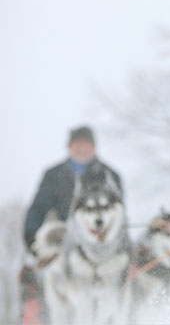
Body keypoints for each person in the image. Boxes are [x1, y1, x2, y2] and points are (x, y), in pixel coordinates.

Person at [20, 126, 124, 324]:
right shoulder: (53, 175)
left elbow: (118, 216)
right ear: (69, 147)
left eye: (86, 145)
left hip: (98, 247)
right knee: (46, 286)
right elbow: (37, 209)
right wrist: (32, 238)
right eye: (77, 145)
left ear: (94, 147)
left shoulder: (109, 175)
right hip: (60, 242)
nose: (82, 149)